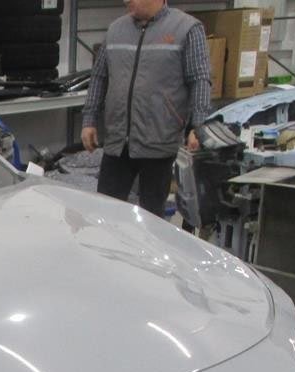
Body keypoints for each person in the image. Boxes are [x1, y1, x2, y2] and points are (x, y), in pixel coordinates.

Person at [81, 0, 211, 216]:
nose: (126, 0)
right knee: (104, 214)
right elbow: (99, 78)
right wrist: (89, 120)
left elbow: (199, 80)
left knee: (151, 218)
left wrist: (197, 126)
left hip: (159, 143)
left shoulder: (187, 29)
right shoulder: (115, 30)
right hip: (117, 143)